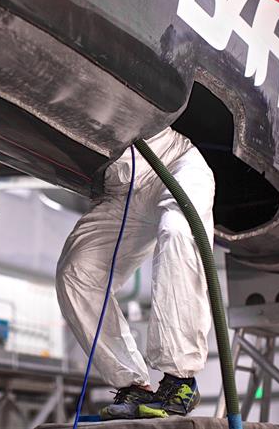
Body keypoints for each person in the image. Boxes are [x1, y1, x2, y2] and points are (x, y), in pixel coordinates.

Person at [56, 126, 215, 420]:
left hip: (174, 161)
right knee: (76, 272)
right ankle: (133, 385)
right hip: (120, 191)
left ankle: (181, 381)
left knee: (177, 230)